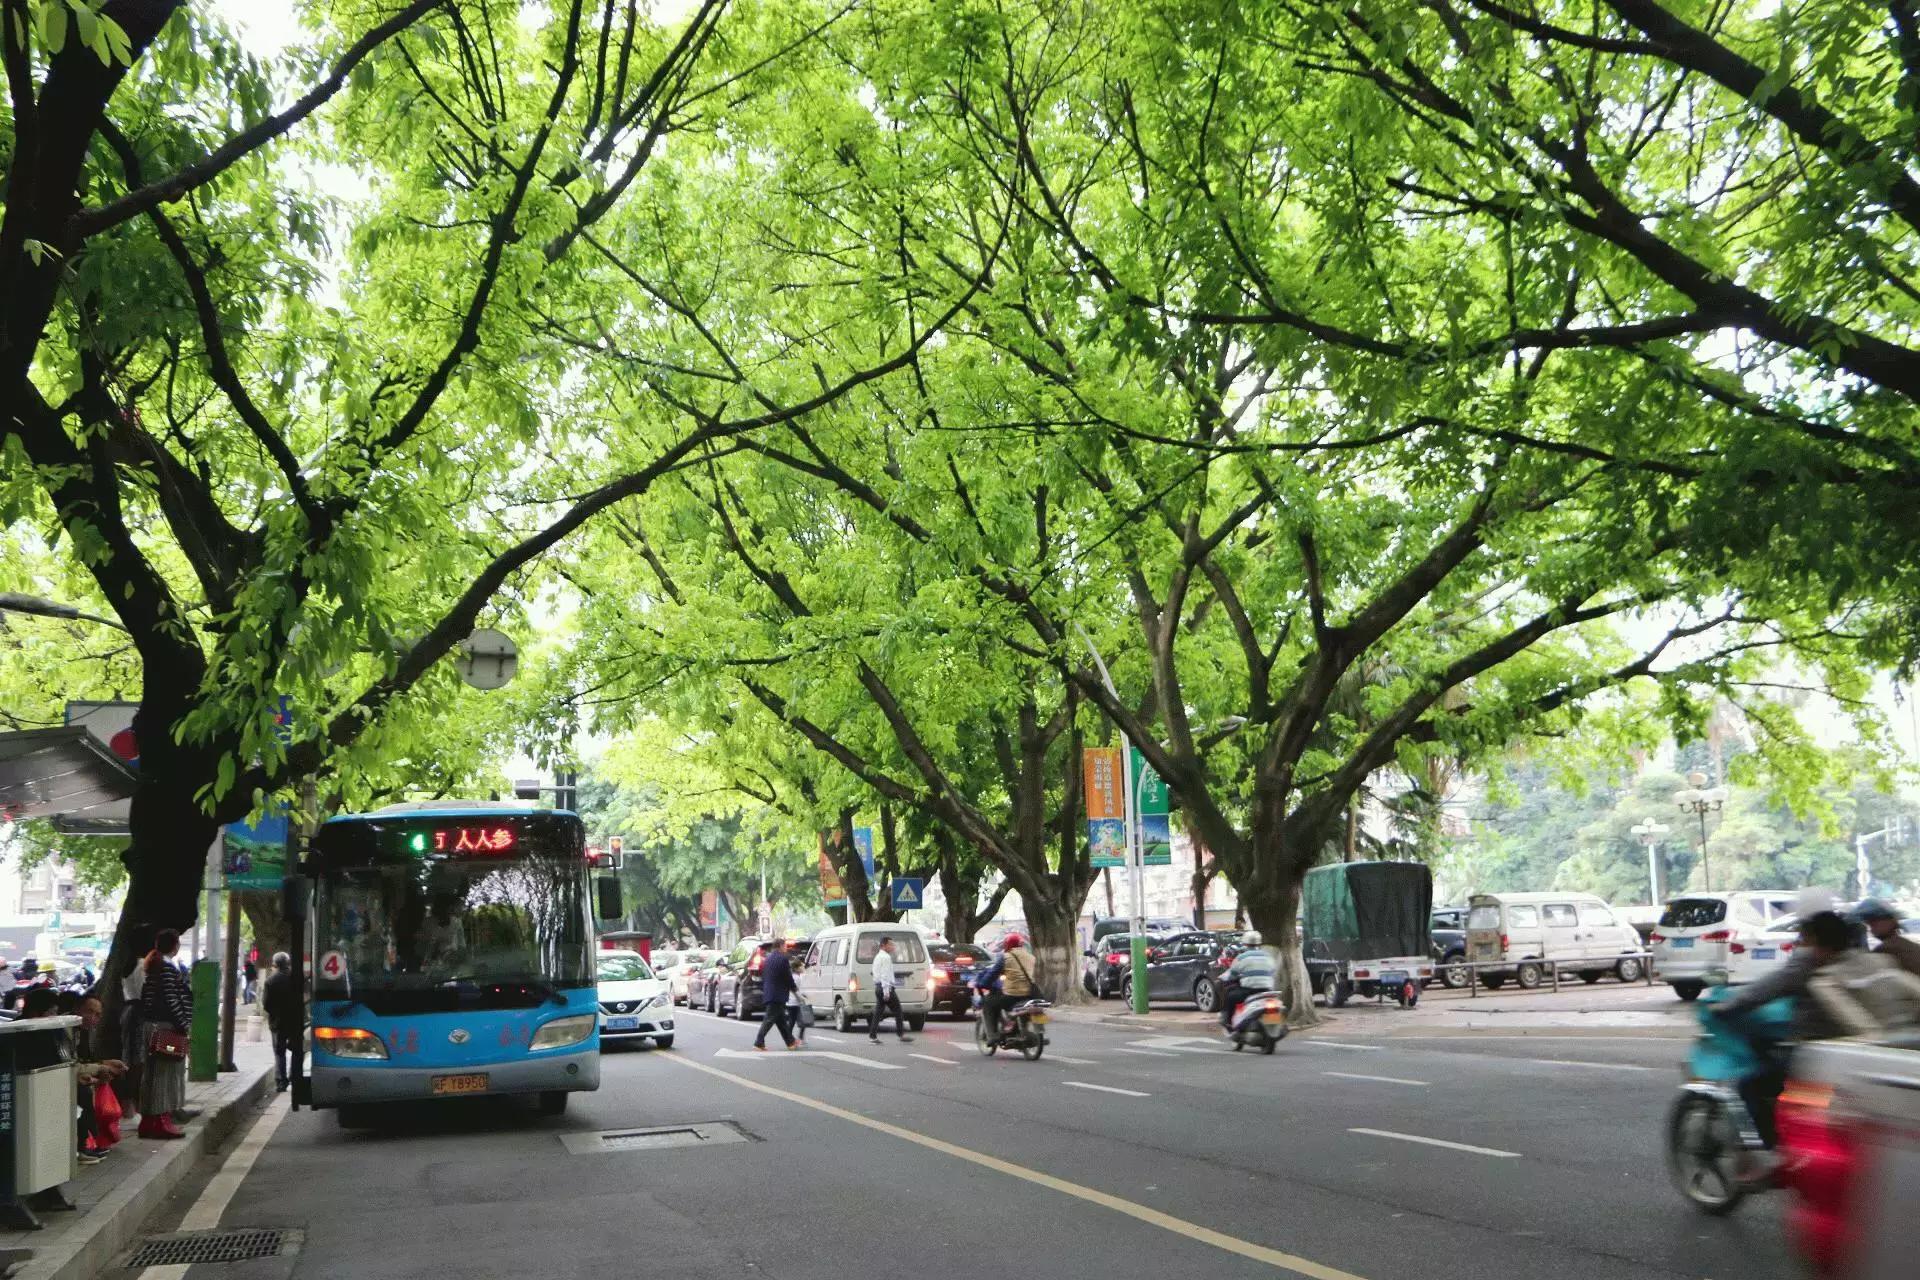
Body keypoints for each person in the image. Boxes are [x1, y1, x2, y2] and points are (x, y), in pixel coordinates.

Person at [136, 929, 191, 1139]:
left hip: (154, 1027)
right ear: (175, 945)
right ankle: (161, 1121)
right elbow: (171, 999)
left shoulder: (154, 964)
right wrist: (183, 1024)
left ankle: (150, 1121)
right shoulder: (166, 967)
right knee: (165, 1074)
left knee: (153, 1074)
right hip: (166, 1028)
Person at [975, 932, 1036, 1039]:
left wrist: (982, 983)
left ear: (1007, 945)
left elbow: (992, 974)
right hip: (1030, 994)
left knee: (989, 1003)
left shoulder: (1005, 957)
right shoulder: (1031, 957)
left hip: (1012, 995)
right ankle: (1015, 1026)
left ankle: (992, 1036)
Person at [1216, 933, 1277, 1030]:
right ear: (1259, 944)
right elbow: (1273, 971)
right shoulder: (1268, 956)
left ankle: (1228, 1022)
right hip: (1267, 990)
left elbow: (1232, 975)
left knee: (1231, 996)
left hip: (1249, 991)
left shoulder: (1242, 957)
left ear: (1245, 944)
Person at [262, 952, 304, 1091]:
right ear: (288, 963)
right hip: (295, 1021)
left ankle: (281, 1082)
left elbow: (266, 1004)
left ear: (275, 964)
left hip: (277, 1022)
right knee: (297, 1050)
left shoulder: (270, 981)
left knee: (279, 1052)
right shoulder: (297, 979)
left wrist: (275, 1013)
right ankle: (296, 1078)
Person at [1853, 899, 1920, 978]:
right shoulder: (1911, 945)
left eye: (1873, 921)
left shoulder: (1884, 950)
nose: (1870, 926)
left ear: (1891, 920)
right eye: (1868, 922)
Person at [753, 940, 800, 1051]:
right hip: (778, 994)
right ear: (780, 946)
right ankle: (758, 1042)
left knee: (781, 1020)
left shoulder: (767, 959)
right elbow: (787, 977)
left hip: (770, 992)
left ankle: (790, 1042)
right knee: (769, 1019)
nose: (786, 948)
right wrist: (794, 989)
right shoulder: (783, 959)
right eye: (785, 946)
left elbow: (764, 975)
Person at [867, 936, 912, 1043]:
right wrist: (886, 991)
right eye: (890, 944)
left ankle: (872, 1036)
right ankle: (900, 1034)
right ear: (883, 945)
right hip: (885, 988)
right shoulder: (886, 957)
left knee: (878, 1013)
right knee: (898, 1011)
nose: (892, 947)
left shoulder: (878, 957)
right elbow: (885, 975)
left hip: (878, 987)